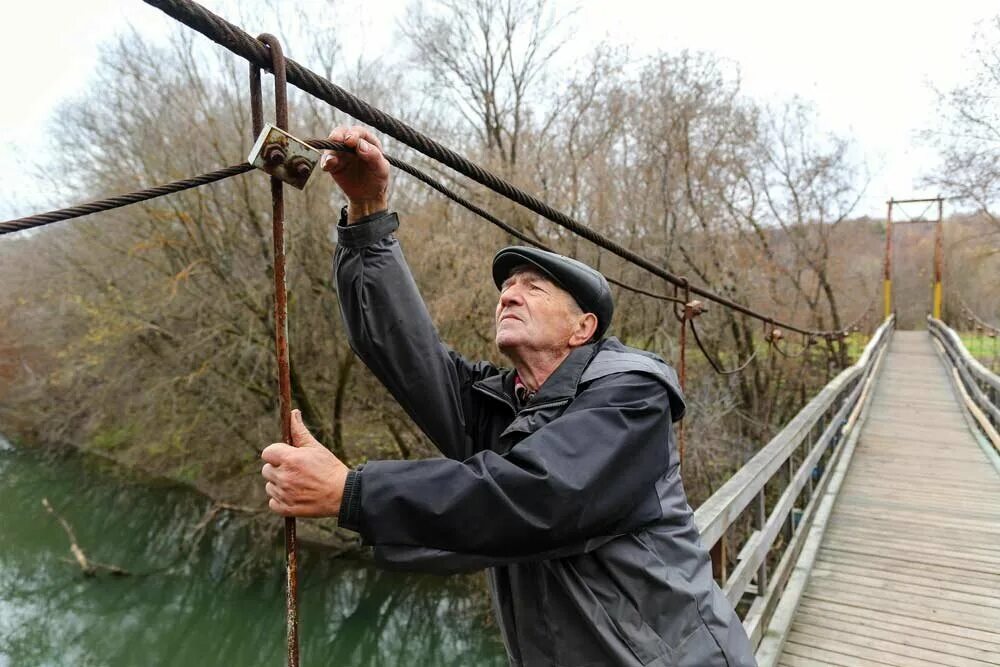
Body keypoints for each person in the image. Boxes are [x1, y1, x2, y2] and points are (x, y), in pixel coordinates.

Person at [260, 125, 757, 667]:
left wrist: (354, 493)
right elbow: (401, 348)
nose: (508, 295)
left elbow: (540, 494)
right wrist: (368, 212)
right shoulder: (501, 408)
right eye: (505, 288)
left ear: (582, 327)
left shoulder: (632, 394)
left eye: (532, 288)